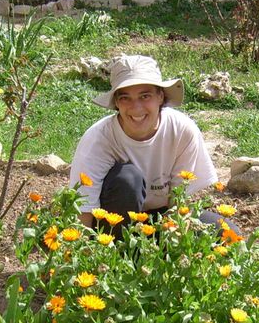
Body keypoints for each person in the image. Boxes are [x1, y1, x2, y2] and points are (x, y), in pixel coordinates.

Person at [68, 54, 223, 228]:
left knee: (225, 232)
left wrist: (174, 243)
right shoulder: (99, 139)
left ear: (160, 97)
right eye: (125, 98)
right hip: (114, 223)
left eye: (145, 96)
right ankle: (123, 251)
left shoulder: (182, 130)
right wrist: (87, 250)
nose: (136, 108)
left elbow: (179, 201)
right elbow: (84, 208)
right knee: (128, 178)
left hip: (161, 218)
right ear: (117, 103)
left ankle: (148, 249)